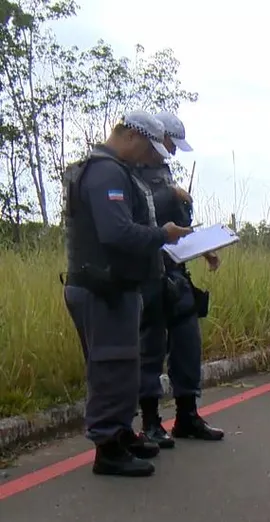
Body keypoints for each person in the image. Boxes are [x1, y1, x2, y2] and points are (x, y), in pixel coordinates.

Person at [61, 110, 193, 477]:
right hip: (100, 287)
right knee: (108, 367)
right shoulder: (105, 172)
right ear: (131, 136)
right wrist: (163, 235)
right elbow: (116, 232)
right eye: (148, 149)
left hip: (115, 287)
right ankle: (107, 448)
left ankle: (120, 433)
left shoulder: (117, 170)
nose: (150, 158)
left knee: (123, 366)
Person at [135, 111, 225, 450]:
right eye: (171, 143)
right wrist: (171, 196)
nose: (172, 151)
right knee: (151, 347)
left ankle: (187, 414)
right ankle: (151, 421)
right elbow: (137, 223)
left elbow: (176, 228)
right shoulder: (130, 172)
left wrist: (205, 249)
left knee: (188, 340)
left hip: (175, 272)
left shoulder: (165, 174)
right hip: (146, 273)